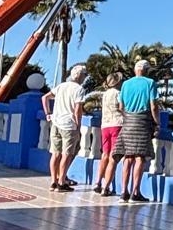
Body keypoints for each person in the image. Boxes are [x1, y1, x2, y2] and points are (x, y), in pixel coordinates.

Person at [115, 59, 158, 202]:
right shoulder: (150, 83)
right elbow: (153, 106)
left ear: (135, 70)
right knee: (140, 156)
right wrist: (157, 123)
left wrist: (128, 115)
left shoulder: (126, 84)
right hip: (142, 122)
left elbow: (120, 107)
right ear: (146, 71)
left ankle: (123, 192)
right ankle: (135, 192)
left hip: (128, 122)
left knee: (127, 157)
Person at [42, 64, 87, 193]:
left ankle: (53, 182)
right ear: (81, 76)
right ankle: (62, 182)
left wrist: (48, 114)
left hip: (56, 123)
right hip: (69, 125)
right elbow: (77, 110)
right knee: (66, 154)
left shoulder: (61, 86)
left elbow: (45, 97)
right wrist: (78, 125)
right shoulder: (79, 89)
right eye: (84, 75)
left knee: (55, 154)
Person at [95, 72, 124, 196]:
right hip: (117, 124)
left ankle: (97, 182)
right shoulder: (119, 94)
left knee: (105, 154)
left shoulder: (105, 94)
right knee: (113, 157)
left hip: (105, 125)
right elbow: (122, 108)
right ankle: (106, 187)